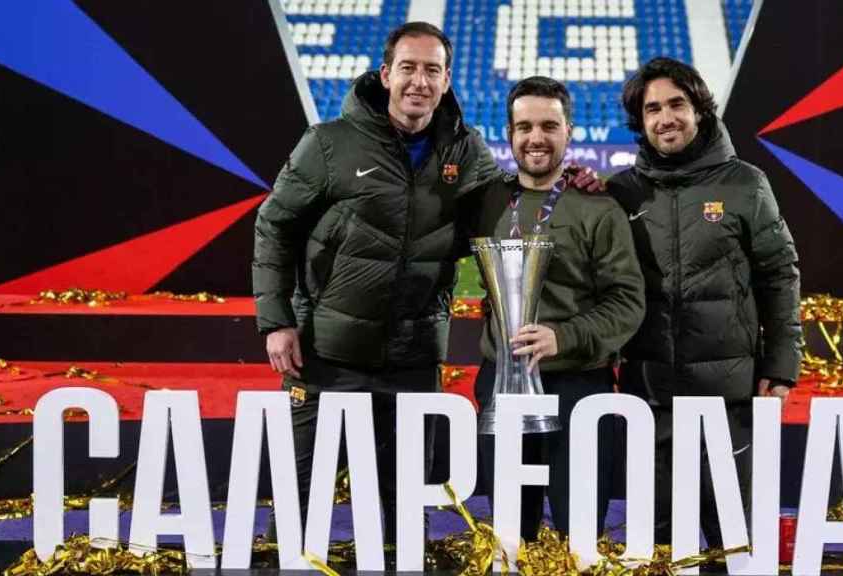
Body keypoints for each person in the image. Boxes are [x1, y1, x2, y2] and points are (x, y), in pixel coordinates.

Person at [253, 22, 598, 543]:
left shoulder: (464, 151)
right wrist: (276, 321)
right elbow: (274, 226)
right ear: (387, 73)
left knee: (406, 509)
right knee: (298, 506)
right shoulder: (327, 144)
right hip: (325, 351)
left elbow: (510, 207)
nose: (419, 81)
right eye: (409, 68)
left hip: (413, 357)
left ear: (446, 79)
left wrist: (570, 184)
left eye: (432, 70)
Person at [607, 57, 802, 549]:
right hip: (649, 396)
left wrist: (781, 367)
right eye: (652, 109)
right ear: (640, 121)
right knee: (658, 544)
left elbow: (779, 274)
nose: (665, 118)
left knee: (732, 541)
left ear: (700, 110)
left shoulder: (745, 183)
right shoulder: (623, 192)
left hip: (728, 397)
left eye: (677, 104)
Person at [461, 76, 645, 541]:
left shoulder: (598, 208)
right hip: (502, 380)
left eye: (548, 125)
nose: (536, 138)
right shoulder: (488, 202)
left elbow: (627, 301)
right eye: (524, 126)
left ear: (569, 131)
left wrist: (563, 336)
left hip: (577, 385)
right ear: (510, 133)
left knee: (577, 534)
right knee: (508, 535)